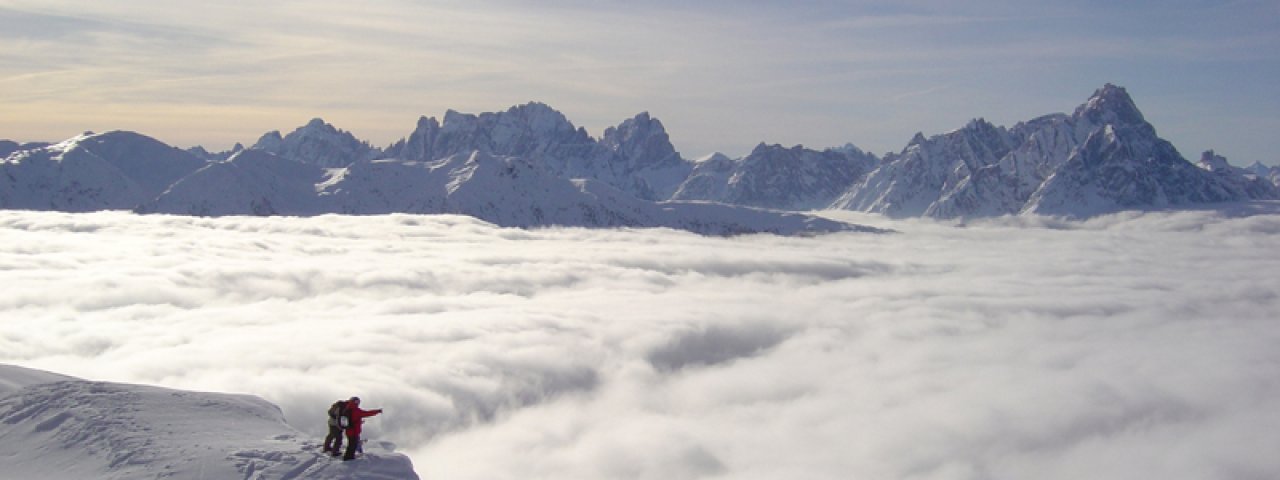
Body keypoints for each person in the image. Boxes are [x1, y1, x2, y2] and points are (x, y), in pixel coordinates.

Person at [342, 396, 383, 461]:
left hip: (349, 430)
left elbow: (352, 420)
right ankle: (348, 458)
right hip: (354, 431)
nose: (358, 403)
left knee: (351, 445)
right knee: (352, 445)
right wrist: (377, 411)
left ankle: (348, 457)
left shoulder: (347, 409)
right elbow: (367, 413)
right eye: (357, 402)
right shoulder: (356, 410)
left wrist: (359, 422)